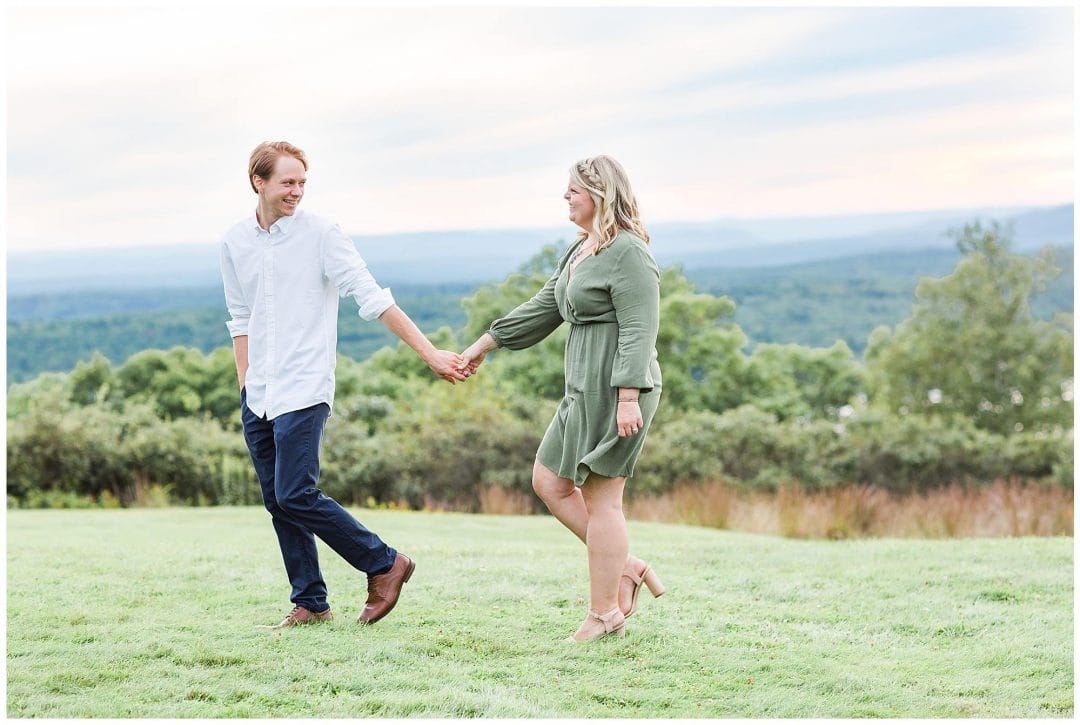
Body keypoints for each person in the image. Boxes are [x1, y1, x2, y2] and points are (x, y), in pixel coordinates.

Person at [220, 141, 467, 629]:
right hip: (260, 394)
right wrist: (245, 386)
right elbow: (240, 317)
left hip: (305, 386)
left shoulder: (322, 234)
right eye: (288, 182)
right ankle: (311, 601)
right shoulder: (234, 241)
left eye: (302, 183)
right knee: (277, 501)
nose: (297, 192)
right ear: (259, 182)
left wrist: (431, 354)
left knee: (295, 493)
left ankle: (384, 563)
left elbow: (372, 297)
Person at [459, 155, 666, 643]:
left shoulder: (631, 253)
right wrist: (483, 345)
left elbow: (640, 329)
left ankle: (603, 614)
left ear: (601, 193)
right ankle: (626, 567)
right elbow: (543, 308)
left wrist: (629, 396)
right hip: (580, 388)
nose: (566, 197)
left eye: (574, 189)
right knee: (549, 480)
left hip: (618, 389)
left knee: (603, 500)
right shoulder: (579, 251)